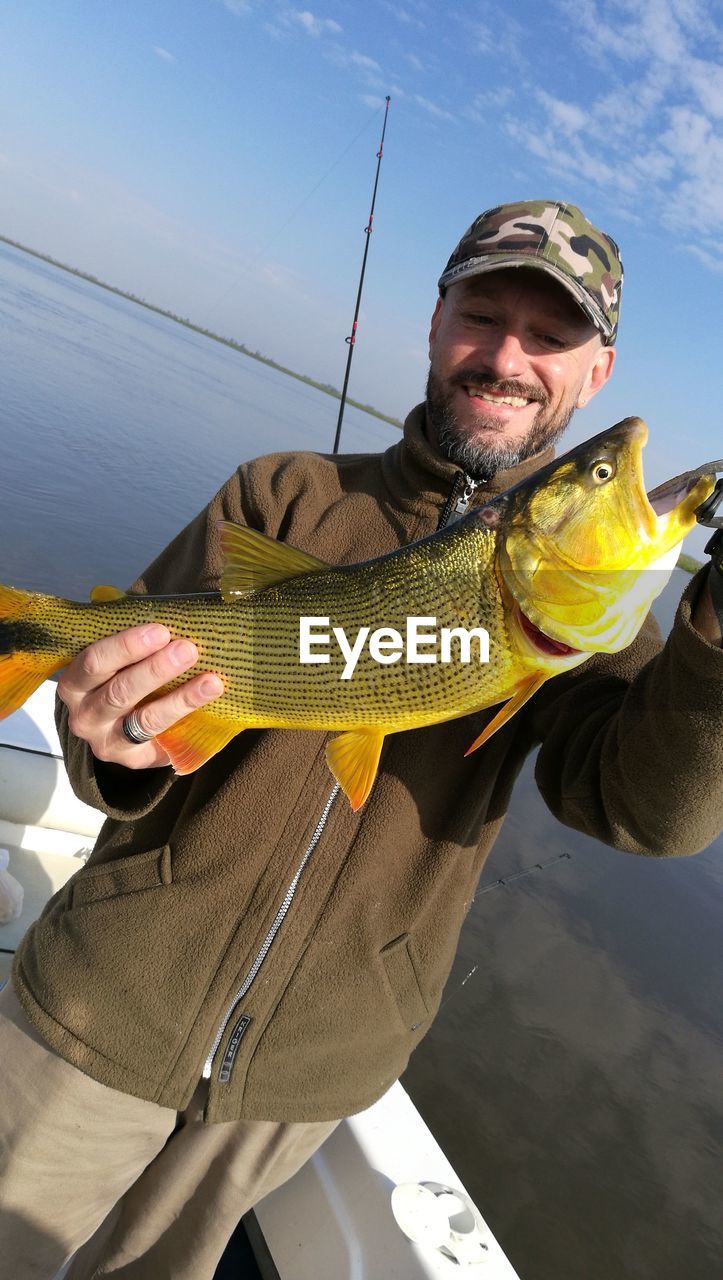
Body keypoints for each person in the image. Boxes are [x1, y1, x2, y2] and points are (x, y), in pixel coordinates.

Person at [1, 199, 722, 1279]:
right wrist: (112, 740)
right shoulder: (282, 493)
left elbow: (644, 812)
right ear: (436, 324)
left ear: (595, 373)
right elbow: (109, 740)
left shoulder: (599, 629)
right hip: (102, 1005)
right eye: (483, 315)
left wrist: (713, 638)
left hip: (300, 1083)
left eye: (551, 337)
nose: (508, 357)